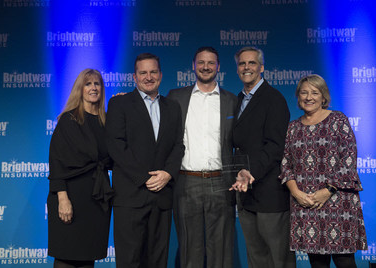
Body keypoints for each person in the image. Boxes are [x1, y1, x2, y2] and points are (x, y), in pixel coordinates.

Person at [279, 74, 367, 268]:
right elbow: (285, 164)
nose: (309, 97)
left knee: (345, 262)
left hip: (337, 202)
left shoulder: (338, 119)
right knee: (317, 263)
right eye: (304, 92)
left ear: (323, 97)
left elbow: (349, 160)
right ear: (298, 97)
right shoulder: (292, 128)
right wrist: (296, 193)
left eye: (314, 92)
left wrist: (327, 191)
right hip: (306, 203)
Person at [106, 53, 185, 268]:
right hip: (131, 197)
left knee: (158, 261)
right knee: (130, 261)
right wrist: (144, 178)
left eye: (153, 72)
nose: (148, 77)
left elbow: (179, 145)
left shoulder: (173, 107)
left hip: (162, 197)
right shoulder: (119, 103)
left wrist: (167, 174)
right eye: (143, 73)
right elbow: (116, 146)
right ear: (134, 77)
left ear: (160, 74)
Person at [168, 46, 237, 268]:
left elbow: (242, 142)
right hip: (186, 180)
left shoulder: (232, 101)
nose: (205, 67)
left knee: (221, 249)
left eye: (210, 63)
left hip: (221, 182)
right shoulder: (175, 97)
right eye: (201, 62)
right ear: (193, 66)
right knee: (190, 249)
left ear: (218, 67)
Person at [230, 46, 296, 268]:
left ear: (262, 68)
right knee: (256, 256)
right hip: (246, 192)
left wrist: (251, 173)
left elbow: (276, 146)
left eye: (252, 63)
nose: (246, 67)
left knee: (279, 258)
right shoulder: (239, 98)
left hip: (269, 191)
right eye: (242, 63)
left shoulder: (273, 98)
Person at [47, 69, 114, 268]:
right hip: (71, 196)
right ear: (80, 89)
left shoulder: (107, 121)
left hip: (97, 198)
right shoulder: (69, 120)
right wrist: (62, 198)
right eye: (88, 84)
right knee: (66, 255)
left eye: (97, 84)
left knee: (88, 256)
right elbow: (56, 162)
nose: (93, 88)